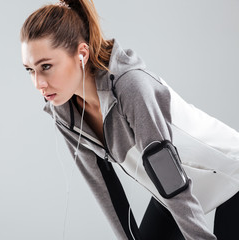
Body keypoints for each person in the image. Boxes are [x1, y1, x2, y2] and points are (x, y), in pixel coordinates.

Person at [20, 0, 239, 239]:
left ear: (81, 54)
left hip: (230, 175)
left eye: (46, 66)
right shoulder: (65, 113)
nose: (38, 83)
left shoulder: (129, 87)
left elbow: (170, 176)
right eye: (30, 69)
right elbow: (105, 190)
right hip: (172, 191)